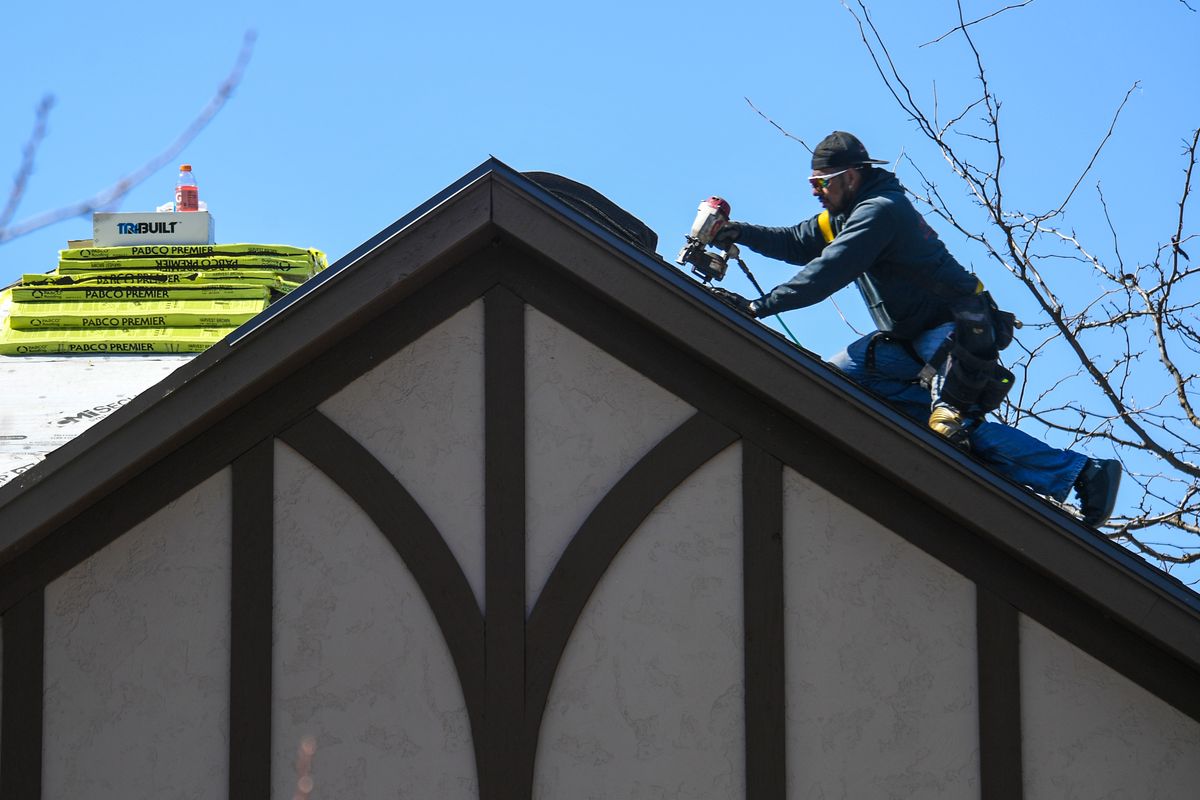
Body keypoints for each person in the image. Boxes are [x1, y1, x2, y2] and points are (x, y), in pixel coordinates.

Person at [708, 131, 1121, 527]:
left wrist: (757, 307)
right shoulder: (848, 213)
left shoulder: (880, 212)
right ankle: (1067, 474)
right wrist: (738, 231)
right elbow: (798, 241)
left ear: (849, 177)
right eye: (811, 182)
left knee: (946, 431)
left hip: (954, 333)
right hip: (907, 341)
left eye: (821, 182)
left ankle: (1082, 473)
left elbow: (828, 271)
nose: (815, 190)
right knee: (833, 385)